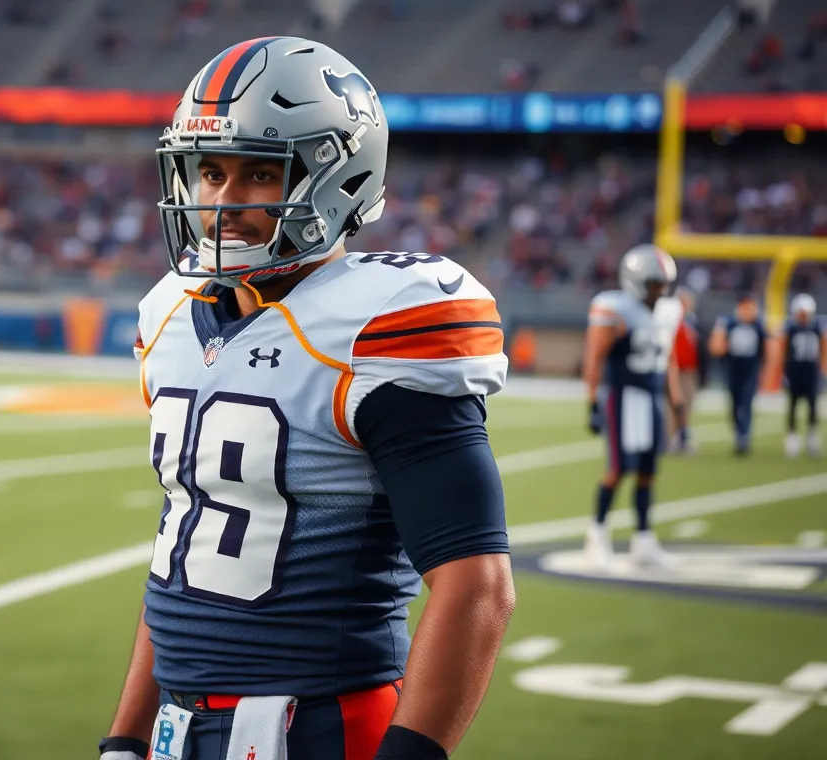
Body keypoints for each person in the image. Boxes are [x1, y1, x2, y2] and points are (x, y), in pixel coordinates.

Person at [101, 37, 515, 760]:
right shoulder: (168, 314)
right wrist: (124, 739)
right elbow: (183, 549)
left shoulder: (376, 324)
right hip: (177, 726)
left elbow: (477, 586)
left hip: (316, 728)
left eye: (260, 174)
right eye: (210, 172)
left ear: (339, 178)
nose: (223, 203)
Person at [582, 244, 685, 569]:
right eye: (655, 283)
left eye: (663, 284)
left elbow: (668, 359)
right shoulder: (614, 308)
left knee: (647, 471)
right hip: (622, 397)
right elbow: (595, 357)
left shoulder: (669, 310)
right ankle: (596, 536)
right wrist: (592, 401)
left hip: (651, 396)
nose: (661, 290)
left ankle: (643, 540)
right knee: (617, 469)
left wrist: (676, 401)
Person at [709, 295, 768, 456]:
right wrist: (722, 344)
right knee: (734, 404)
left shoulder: (758, 325)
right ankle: (739, 432)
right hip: (733, 370)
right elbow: (715, 346)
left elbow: (768, 347)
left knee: (747, 402)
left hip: (751, 371)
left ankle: (744, 436)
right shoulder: (728, 323)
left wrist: (767, 370)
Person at [781, 293, 825, 458]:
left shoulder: (817, 326)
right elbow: (783, 349)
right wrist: (782, 371)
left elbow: (823, 347)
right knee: (793, 404)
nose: (803, 316)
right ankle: (792, 438)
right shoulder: (790, 327)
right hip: (794, 370)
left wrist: (823, 368)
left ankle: (812, 437)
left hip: (811, 370)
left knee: (812, 405)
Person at [669, 286, 700, 453]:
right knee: (675, 404)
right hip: (676, 369)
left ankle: (681, 438)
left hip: (689, 369)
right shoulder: (672, 319)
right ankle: (672, 438)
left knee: (686, 404)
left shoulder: (690, 320)